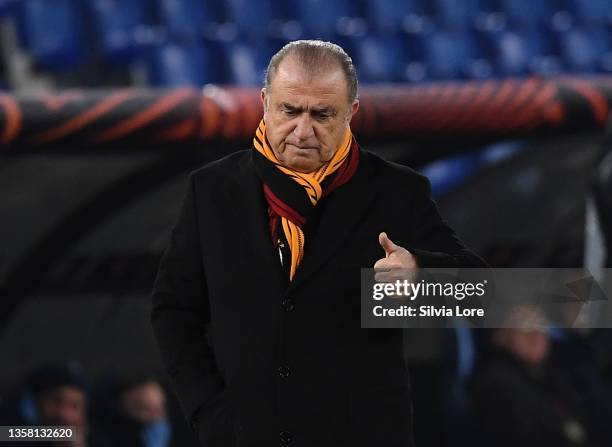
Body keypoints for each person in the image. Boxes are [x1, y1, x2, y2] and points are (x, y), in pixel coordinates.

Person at [151, 39, 486, 447]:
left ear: (351, 112)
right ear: (264, 102)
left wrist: (419, 273)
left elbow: (482, 293)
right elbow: (173, 311)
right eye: (289, 111)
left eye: (322, 115)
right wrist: (208, 410)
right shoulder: (212, 190)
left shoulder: (395, 191)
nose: (303, 131)